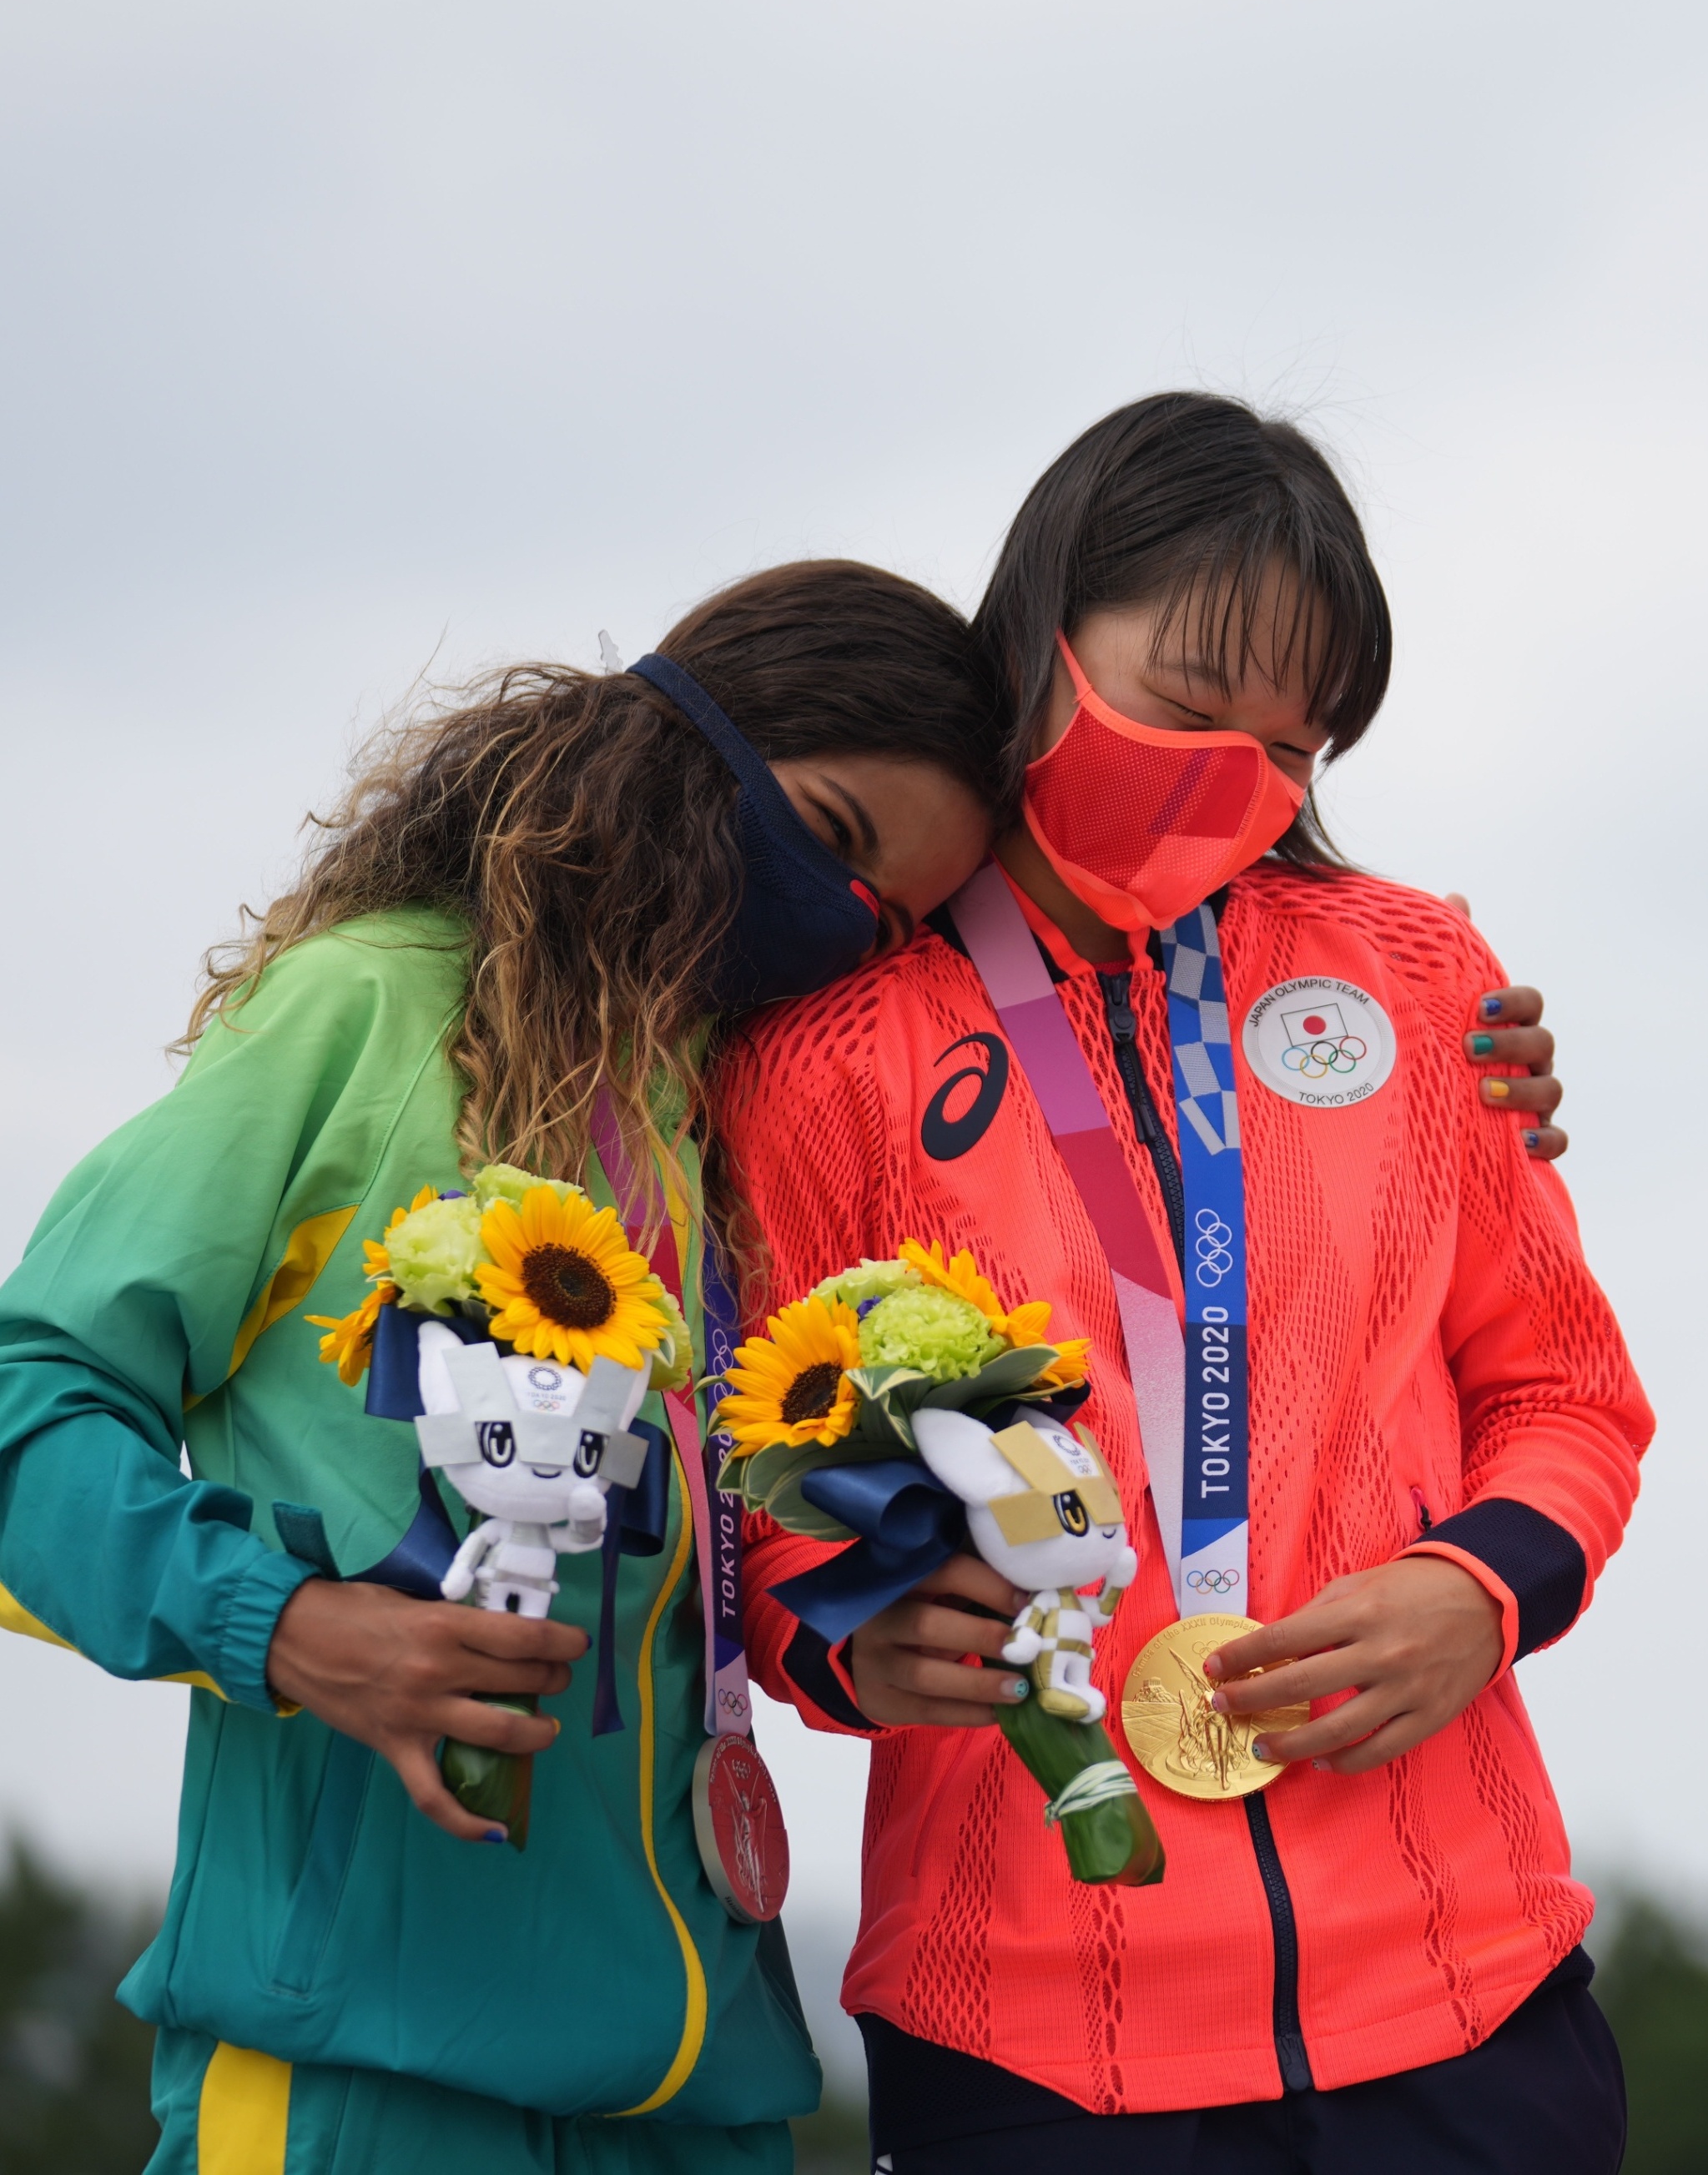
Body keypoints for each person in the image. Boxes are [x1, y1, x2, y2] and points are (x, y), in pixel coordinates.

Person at [718, 396, 1648, 2174]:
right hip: (1029, 2036)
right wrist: (843, 1633)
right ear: (1042, 633)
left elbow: (1562, 1395)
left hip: (1467, 2001)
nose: (1237, 775)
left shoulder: (1413, 976)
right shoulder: (823, 1057)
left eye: (1293, 745)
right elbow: (748, 1489)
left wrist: (1484, 1589)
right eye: (1189, 703)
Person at [0, 561, 1003, 2175]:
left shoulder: (755, 1125)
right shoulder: (360, 1011)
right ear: (685, 751)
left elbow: (719, 1571)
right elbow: (25, 1412)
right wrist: (291, 1630)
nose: (837, 930)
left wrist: (854, 1628)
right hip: (360, 2073)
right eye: (826, 841)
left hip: (709, 2096)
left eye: (888, 922)